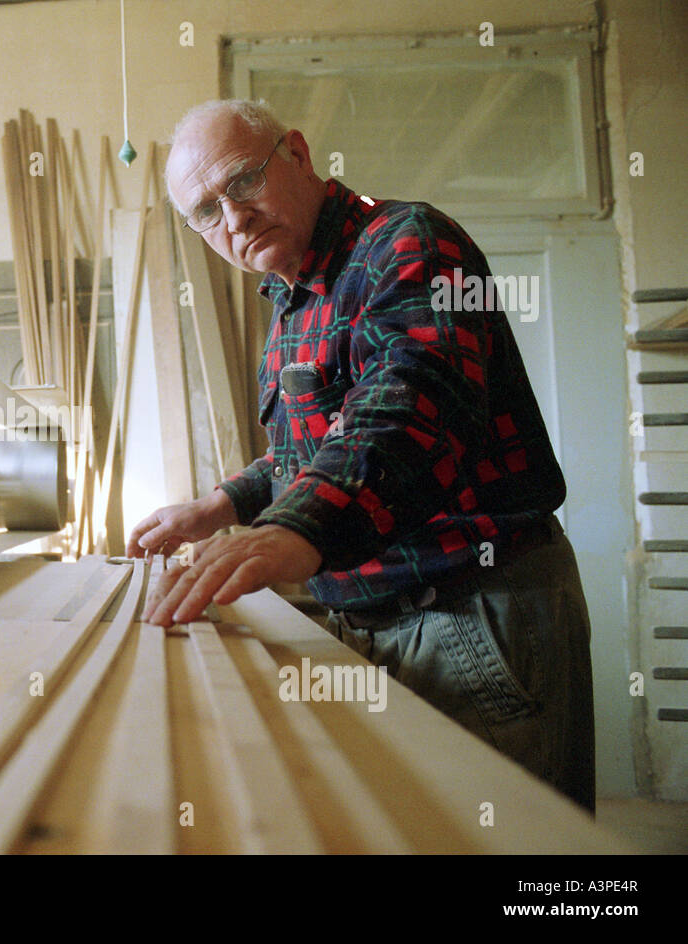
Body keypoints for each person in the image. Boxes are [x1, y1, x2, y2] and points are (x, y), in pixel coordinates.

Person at [129, 99, 596, 812]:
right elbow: (313, 449)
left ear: (298, 154)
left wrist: (299, 531)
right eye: (205, 211)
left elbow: (413, 412)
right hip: (382, 619)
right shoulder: (292, 299)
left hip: (473, 613)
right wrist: (219, 506)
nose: (233, 218)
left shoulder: (409, 243)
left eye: (243, 182)